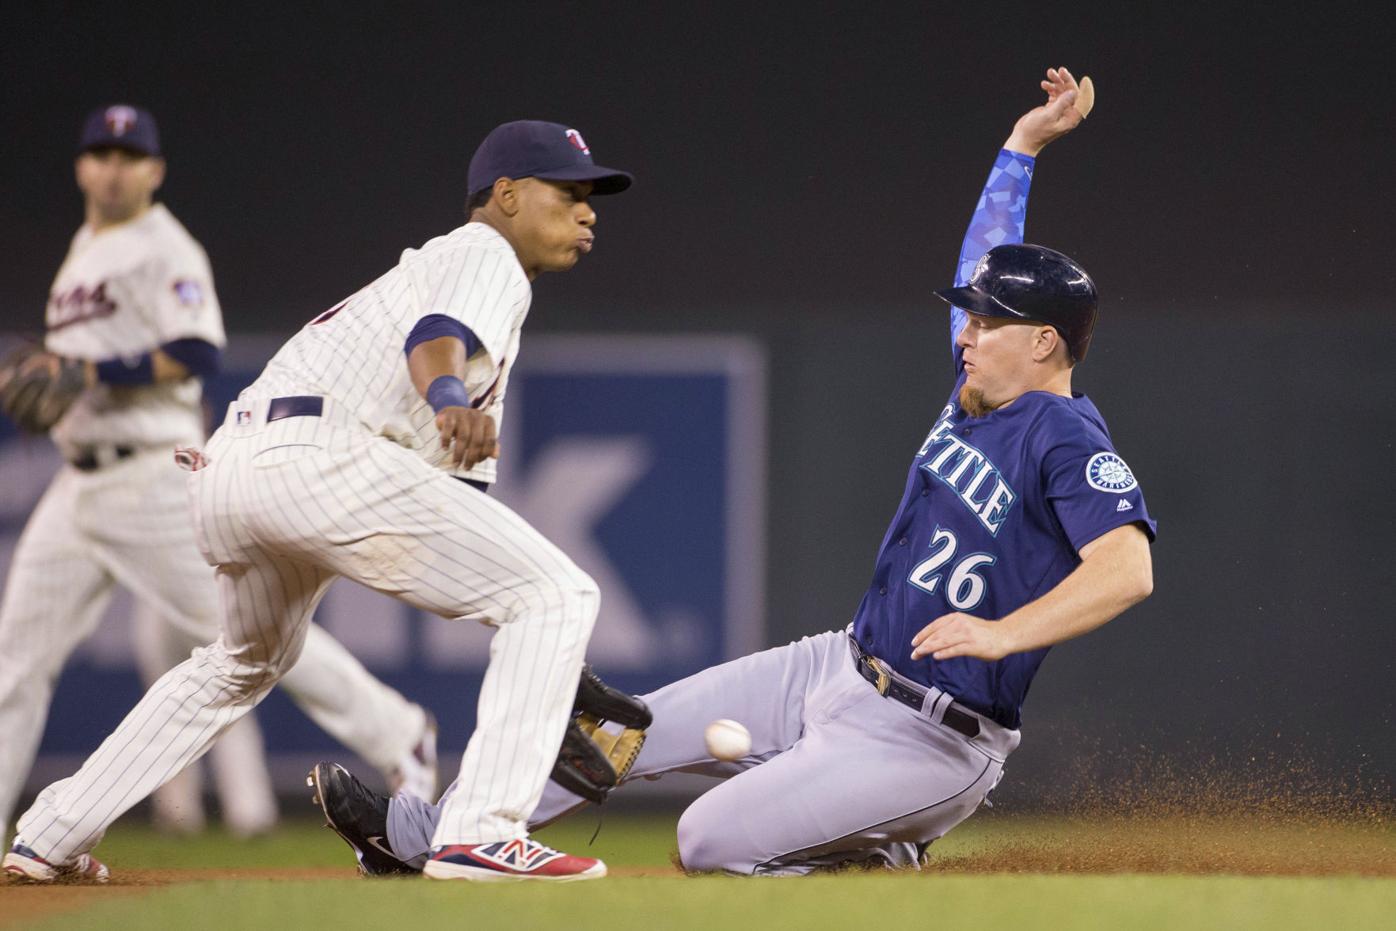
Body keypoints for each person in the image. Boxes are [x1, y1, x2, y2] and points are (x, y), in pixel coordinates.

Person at [313, 66, 1157, 877]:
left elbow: (1127, 569)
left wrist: (1004, 634)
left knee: (708, 839)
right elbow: (990, 250)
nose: (966, 332)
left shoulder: (1065, 436)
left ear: (1043, 341)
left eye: (986, 320)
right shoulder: (978, 386)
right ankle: (427, 835)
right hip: (836, 664)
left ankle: (878, 849)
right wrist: (1021, 146)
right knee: (616, 731)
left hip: (936, 737)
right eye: (968, 317)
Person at [3, 118, 633, 884]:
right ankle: (482, 833)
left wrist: (557, 667)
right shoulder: (484, 254)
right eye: (568, 192)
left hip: (230, 467)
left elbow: (461, 510)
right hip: (320, 457)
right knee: (561, 591)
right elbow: (436, 338)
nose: (588, 209)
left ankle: (49, 834)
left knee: (242, 661)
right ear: (504, 196)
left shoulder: (455, 281)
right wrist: (443, 394)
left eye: (590, 196)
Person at [0, 105, 440, 852]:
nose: (113, 167)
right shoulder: (84, 251)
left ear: (155, 170)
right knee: (15, 662)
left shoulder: (164, 247)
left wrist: (88, 370)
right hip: (77, 488)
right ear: (81, 167)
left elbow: (198, 351)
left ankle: (400, 731)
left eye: (128, 155)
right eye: (100, 153)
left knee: (252, 635)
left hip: (146, 478)